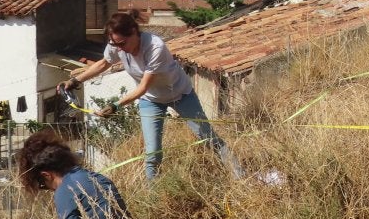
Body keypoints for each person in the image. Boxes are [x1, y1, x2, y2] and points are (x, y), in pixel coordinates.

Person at [58, 12, 243, 179]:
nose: (119, 49)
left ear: (133, 32)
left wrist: (115, 106)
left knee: (207, 137)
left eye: (122, 43)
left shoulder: (155, 47)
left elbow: (143, 87)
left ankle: (240, 176)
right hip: (151, 101)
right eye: (115, 44)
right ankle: (152, 197)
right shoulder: (116, 45)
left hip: (180, 94)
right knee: (152, 153)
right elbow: (103, 64)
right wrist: (75, 81)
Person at [14, 131, 142, 219]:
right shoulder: (96, 177)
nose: (48, 190)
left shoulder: (65, 189)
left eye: (42, 185)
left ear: (47, 175)